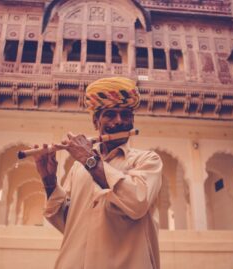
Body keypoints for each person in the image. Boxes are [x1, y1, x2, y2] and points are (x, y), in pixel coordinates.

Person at [33, 77, 163, 269]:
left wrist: (89, 161)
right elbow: (69, 223)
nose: (119, 121)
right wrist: (49, 181)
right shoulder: (79, 168)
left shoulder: (147, 161)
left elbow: (137, 202)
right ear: (96, 122)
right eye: (110, 115)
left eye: (125, 115)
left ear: (132, 120)